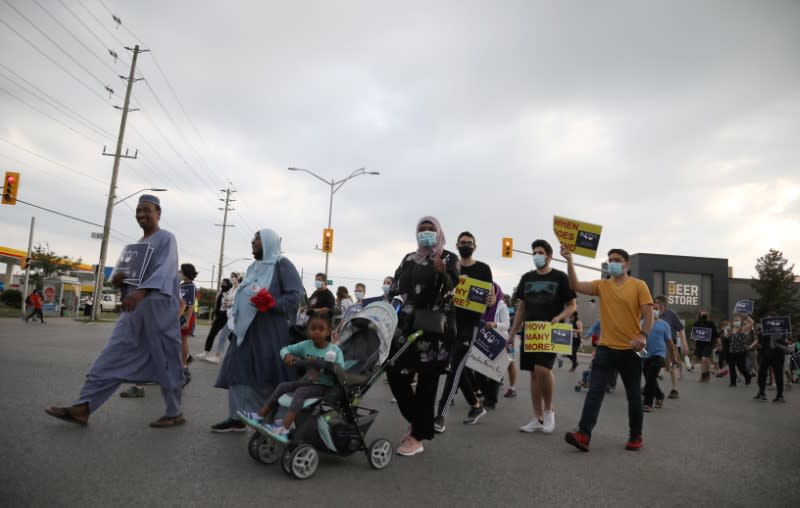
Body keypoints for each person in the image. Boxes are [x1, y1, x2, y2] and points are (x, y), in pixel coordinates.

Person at [45, 194, 185, 428]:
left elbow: (166, 269)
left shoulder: (166, 239)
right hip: (133, 312)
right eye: (138, 211)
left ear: (158, 213)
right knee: (112, 353)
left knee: (165, 359)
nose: (141, 214)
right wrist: (120, 281)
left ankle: (175, 412)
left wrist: (141, 292)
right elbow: (123, 280)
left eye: (146, 210)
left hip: (158, 313)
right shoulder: (135, 247)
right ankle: (84, 406)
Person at [563, 246, 653, 452]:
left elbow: (649, 315)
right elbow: (574, 284)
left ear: (627, 264)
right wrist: (569, 260)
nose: (612, 262)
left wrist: (643, 335)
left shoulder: (639, 286)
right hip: (605, 349)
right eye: (610, 259)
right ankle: (583, 434)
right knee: (594, 392)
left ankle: (635, 435)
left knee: (633, 396)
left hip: (631, 350)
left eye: (617, 259)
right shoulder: (602, 286)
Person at [212, 229, 304, 432]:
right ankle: (237, 416)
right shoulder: (253, 266)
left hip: (269, 331)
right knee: (238, 368)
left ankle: (274, 419)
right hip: (245, 330)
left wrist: (272, 303)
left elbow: (296, 296)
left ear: (268, 242)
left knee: (267, 373)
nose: (252, 241)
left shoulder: (282, 264)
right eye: (253, 238)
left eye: (257, 239)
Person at [387, 216, 459, 456]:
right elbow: (395, 289)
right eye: (422, 229)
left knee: (427, 382)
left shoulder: (449, 258)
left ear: (438, 232)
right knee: (394, 372)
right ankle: (421, 423)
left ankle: (417, 436)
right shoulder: (409, 259)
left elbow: (454, 292)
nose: (426, 232)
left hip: (433, 329)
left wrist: (444, 273)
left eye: (431, 229)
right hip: (406, 327)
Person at [508, 239, 576, 435]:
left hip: (551, 330)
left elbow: (572, 305)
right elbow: (521, 307)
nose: (536, 256)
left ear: (549, 255)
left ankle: (549, 411)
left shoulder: (560, 277)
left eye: (540, 252)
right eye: (534, 253)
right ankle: (536, 417)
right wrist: (512, 332)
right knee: (533, 373)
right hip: (531, 331)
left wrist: (560, 317)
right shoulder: (527, 278)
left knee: (543, 369)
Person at [246, 311, 344, 442]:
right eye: (313, 328)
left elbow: (341, 372)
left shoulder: (334, 351)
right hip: (307, 381)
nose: (316, 332)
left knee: (300, 392)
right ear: (308, 330)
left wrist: (328, 366)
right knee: (283, 386)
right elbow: (285, 349)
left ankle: (284, 427)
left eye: (321, 329)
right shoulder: (306, 345)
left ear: (328, 332)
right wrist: (287, 356)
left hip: (325, 386)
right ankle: (259, 415)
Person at [435, 231, 493, 430]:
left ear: (474, 246)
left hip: (471, 325)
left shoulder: (484, 269)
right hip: (450, 323)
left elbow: (490, 297)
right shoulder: (451, 266)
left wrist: (490, 300)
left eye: (469, 243)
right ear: (457, 245)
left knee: (454, 369)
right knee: (458, 368)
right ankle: (476, 405)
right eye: (462, 243)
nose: (465, 245)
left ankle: (440, 416)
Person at [652, 295, 688, 399]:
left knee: (672, 367)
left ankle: (674, 389)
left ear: (663, 304)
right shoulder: (652, 313)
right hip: (655, 344)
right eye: (654, 302)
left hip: (669, 344)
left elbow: (681, 329)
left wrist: (684, 344)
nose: (654, 304)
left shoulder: (671, 314)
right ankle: (650, 386)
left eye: (656, 302)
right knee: (651, 366)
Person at [754, 312, 790, 403]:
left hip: (777, 354)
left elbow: (782, 340)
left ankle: (780, 395)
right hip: (765, 354)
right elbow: (761, 342)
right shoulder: (763, 330)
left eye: (770, 319)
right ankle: (761, 393)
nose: (768, 321)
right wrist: (759, 338)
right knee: (761, 374)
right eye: (767, 319)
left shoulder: (781, 329)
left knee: (778, 375)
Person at [643, 307, 671, 411]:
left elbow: (669, 342)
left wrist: (674, 358)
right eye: (650, 308)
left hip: (659, 355)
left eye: (655, 308)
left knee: (650, 377)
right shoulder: (642, 322)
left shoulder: (664, 325)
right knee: (650, 378)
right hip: (645, 355)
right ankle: (659, 395)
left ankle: (647, 403)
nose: (653, 310)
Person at [197, 278, 232, 362]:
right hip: (219, 316)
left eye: (224, 283)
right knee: (212, 333)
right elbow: (218, 304)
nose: (222, 284)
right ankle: (206, 352)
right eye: (222, 283)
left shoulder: (232, 292)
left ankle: (229, 355)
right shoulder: (220, 292)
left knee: (230, 337)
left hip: (228, 316)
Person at [178, 263, 198, 385]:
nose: (179, 272)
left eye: (181, 270)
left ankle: (184, 364)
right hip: (179, 315)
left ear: (186, 272)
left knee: (183, 340)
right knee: (178, 340)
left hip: (186, 316)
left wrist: (187, 320)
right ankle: (187, 358)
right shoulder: (181, 285)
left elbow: (190, 305)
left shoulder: (191, 285)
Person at [690, 310, 719, 383]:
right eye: (702, 313)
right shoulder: (697, 323)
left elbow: (716, 334)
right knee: (703, 361)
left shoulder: (711, 323)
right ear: (699, 315)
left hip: (709, 344)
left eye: (705, 313)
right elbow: (693, 334)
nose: (703, 314)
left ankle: (706, 374)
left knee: (704, 359)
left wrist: (719, 344)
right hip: (699, 344)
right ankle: (704, 375)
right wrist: (693, 338)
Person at [727, 315, 754, 387]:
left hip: (741, 351)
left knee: (740, 366)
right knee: (731, 366)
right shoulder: (731, 329)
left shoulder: (743, 329)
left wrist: (746, 316)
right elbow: (727, 337)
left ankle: (747, 376)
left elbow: (752, 323)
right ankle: (733, 382)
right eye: (735, 320)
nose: (736, 322)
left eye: (738, 320)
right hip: (732, 351)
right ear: (733, 322)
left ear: (740, 322)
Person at [504, 296, 519, 398]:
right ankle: (511, 387)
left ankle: (512, 388)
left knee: (510, 362)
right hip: (507, 339)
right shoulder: (513, 311)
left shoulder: (510, 312)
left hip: (509, 339)